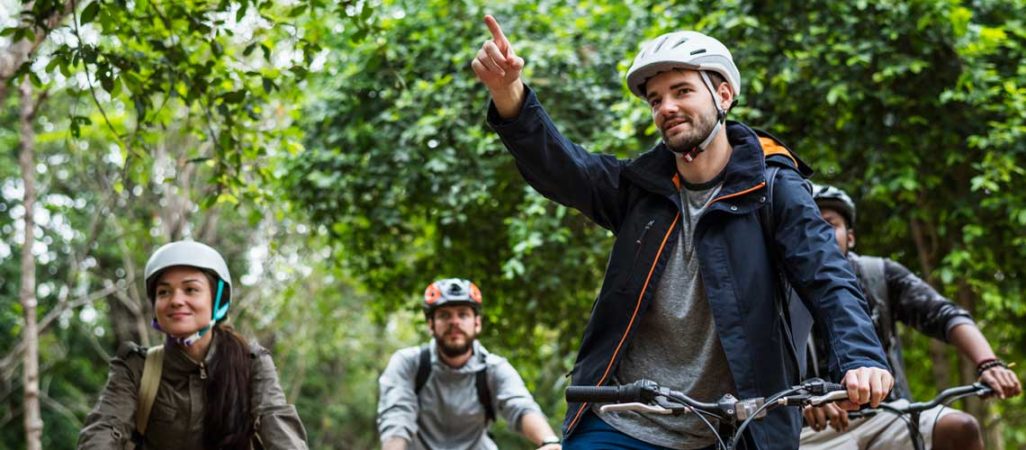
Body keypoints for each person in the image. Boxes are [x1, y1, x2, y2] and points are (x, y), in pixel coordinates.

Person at [472, 15, 894, 450]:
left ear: (723, 95)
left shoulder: (773, 190)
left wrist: (861, 356)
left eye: (682, 91)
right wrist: (508, 93)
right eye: (655, 100)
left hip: (734, 428)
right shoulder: (639, 188)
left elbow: (827, 274)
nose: (666, 107)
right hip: (624, 420)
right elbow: (564, 169)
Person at [800, 184, 1022, 450]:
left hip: (887, 416)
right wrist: (799, 404)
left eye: (829, 224)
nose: (821, 234)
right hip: (812, 431)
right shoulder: (778, 290)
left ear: (850, 237)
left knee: (959, 428)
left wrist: (988, 363)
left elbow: (944, 314)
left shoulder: (877, 274)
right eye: (812, 225)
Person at [78, 240, 308, 450]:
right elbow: (105, 428)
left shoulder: (252, 363)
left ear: (217, 300)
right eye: (164, 292)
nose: (176, 300)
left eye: (191, 290)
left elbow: (277, 426)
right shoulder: (135, 368)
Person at [376, 278, 562, 450]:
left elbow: (520, 406)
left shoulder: (494, 369)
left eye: (463, 315)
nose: (454, 322)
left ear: (477, 323)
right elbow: (396, 417)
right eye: (444, 315)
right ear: (431, 325)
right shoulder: (408, 363)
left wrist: (549, 441)